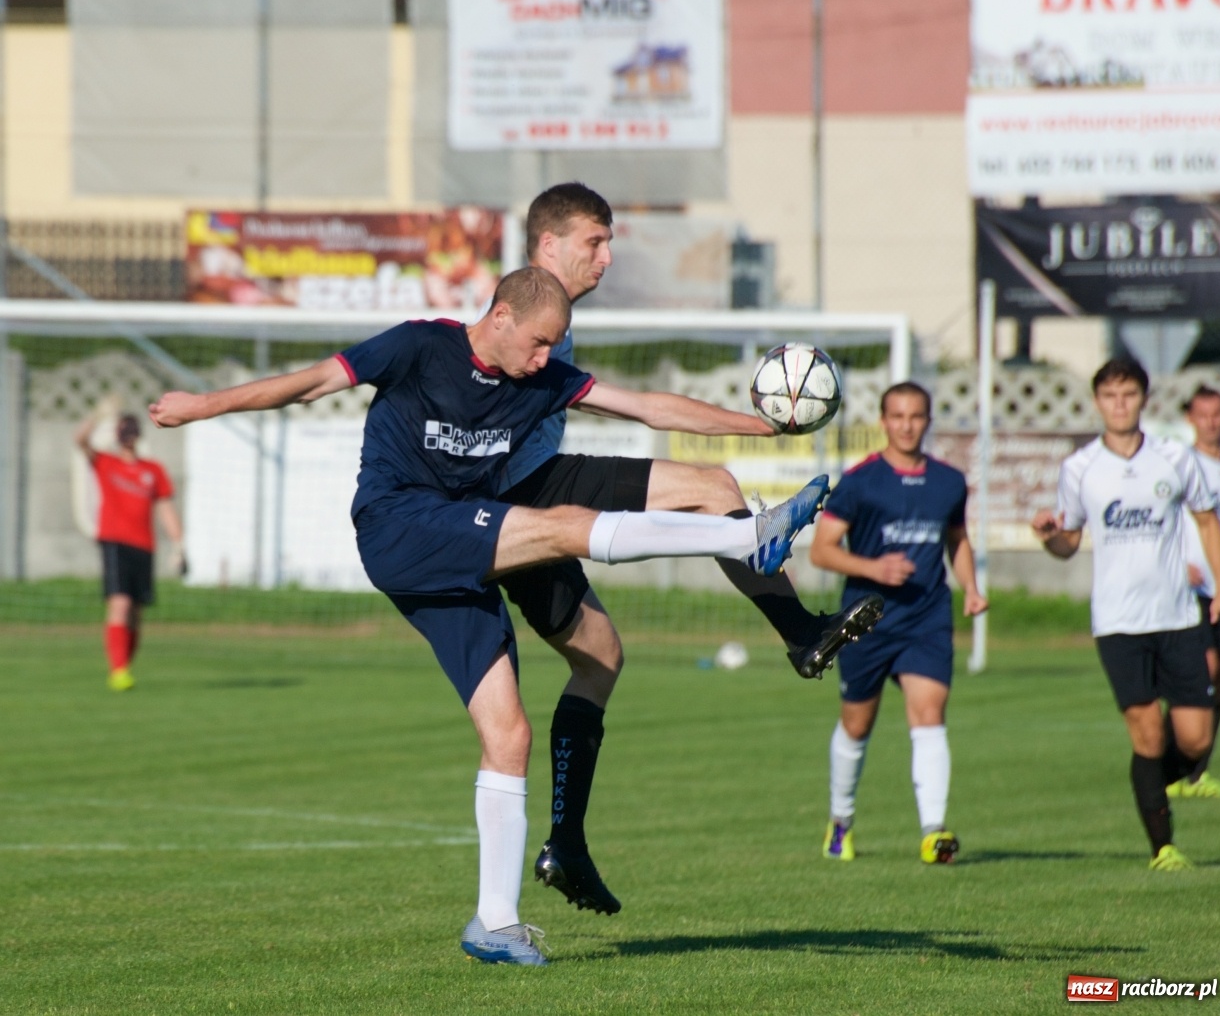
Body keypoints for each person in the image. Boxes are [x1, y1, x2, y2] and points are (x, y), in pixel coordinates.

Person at [148, 266, 830, 965]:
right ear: (500, 315)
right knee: (561, 527)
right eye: (539, 343)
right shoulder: (417, 347)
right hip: (400, 526)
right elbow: (309, 382)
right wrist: (203, 405)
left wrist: (758, 426)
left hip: (452, 559)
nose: (546, 360)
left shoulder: (537, 379)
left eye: (554, 348)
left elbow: (650, 408)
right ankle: (749, 534)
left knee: (509, 733)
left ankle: (493, 924)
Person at [497, 183, 884, 916]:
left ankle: (566, 845)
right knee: (711, 488)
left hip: (525, 507)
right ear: (547, 246)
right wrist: (754, 425)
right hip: (523, 496)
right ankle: (800, 633)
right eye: (594, 242)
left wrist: (755, 425)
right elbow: (641, 406)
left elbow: (636, 404)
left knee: (601, 656)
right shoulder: (521, 319)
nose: (607, 258)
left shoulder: (547, 320)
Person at [1032, 359, 1220, 871]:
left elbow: (1208, 523)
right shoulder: (1080, 468)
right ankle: (1162, 847)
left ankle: (1149, 784)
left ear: (1145, 399)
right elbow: (1069, 542)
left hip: (1178, 616)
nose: (1119, 404)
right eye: (1110, 395)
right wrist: (1052, 535)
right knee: (1145, 733)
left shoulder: (1174, 458)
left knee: (1196, 738)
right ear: (1098, 401)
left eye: (1128, 394)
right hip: (1118, 623)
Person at [807, 381, 986, 865]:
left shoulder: (949, 481)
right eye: (898, 416)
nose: (907, 425)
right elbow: (821, 551)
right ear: (884, 421)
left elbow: (958, 540)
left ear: (928, 421)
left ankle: (934, 831)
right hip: (865, 621)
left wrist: (970, 586)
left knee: (929, 715)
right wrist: (874, 569)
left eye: (917, 416)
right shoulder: (861, 481)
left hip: (926, 617)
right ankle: (841, 821)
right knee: (856, 724)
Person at [76, 410, 184, 692]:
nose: (128, 435)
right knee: (119, 603)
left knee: (136, 612)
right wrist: (98, 415)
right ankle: (118, 671)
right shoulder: (106, 463)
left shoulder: (153, 470)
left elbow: (166, 508)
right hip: (114, 542)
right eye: (123, 430)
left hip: (144, 546)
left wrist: (178, 545)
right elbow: (80, 441)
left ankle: (125, 666)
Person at [1170, 386, 1220, 797]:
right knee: (1203, 671)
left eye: (1217, 414)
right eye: (1203, 414)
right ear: (1190, 418)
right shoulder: (1181, 465)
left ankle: (1197, 772)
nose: (1211, 422)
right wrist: (1178, 563)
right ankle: (1175, 767)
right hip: (1193, 586)